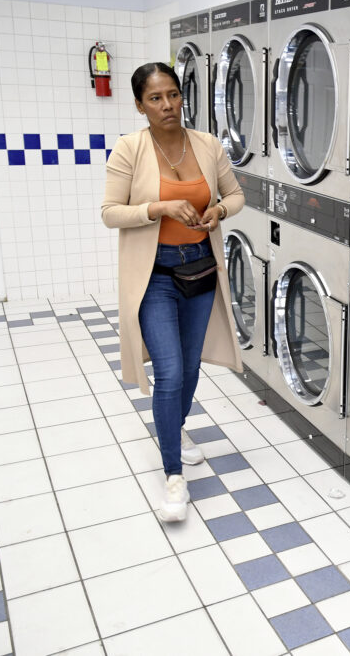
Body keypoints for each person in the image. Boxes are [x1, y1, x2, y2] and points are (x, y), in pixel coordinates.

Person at [102, 62, 246, 522]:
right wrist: (158, 207)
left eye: (173, 95)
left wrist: (219, 210)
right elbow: (110, 212)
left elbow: (237, 194)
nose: (167, 105)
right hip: (155, 277)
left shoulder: (207, 145)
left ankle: (177, 431)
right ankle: (173, 477)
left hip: (200, 271)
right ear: (140, 105)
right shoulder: (130, 149)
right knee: (168, 371)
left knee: (188, 365)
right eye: (155, 98)